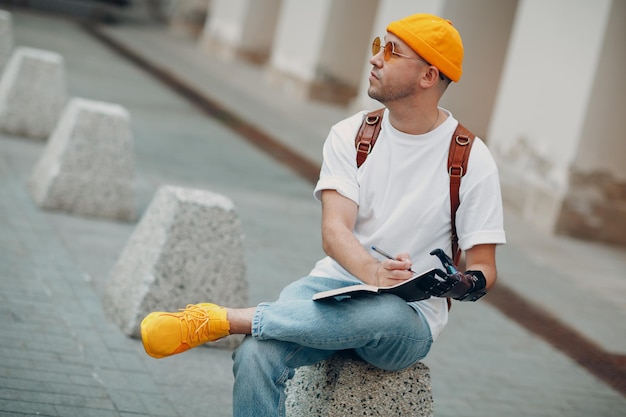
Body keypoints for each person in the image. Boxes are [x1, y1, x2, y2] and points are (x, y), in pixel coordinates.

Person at [140, 13, 506, 417]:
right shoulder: (352, 134)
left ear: (427, 76)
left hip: (406, 319)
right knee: (255, 356)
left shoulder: (471, 158)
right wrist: (371, 272)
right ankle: (239, 325)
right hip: (330, 289)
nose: (376, 59)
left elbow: (484, 268)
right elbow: (334, 231)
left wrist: (460, 282)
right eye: (377, 47)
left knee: (381, 311)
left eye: (392, 51)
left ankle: (223, 319)